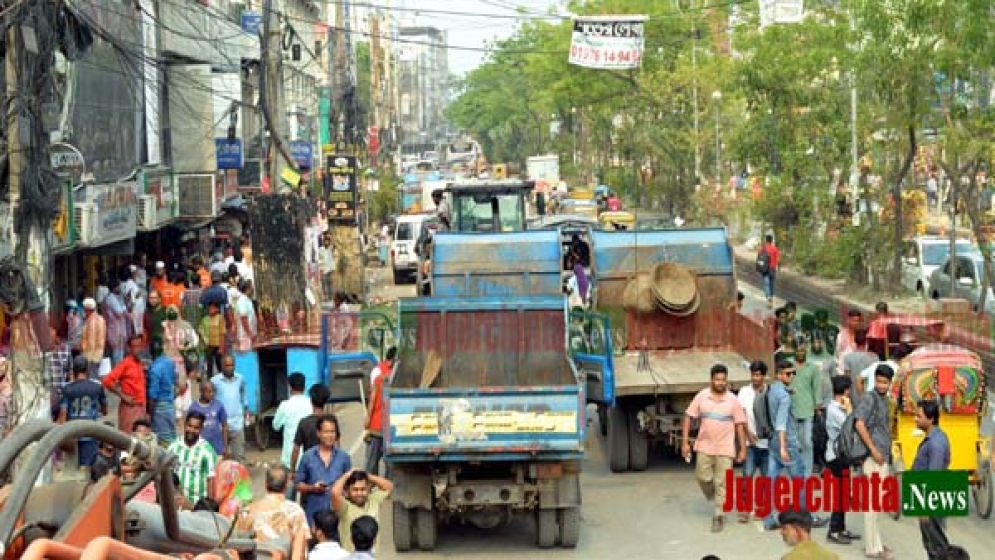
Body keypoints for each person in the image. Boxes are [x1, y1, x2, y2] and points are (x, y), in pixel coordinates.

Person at [680, 364, 748, 533]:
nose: (720, 383)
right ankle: (714, 495)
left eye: (723, 380)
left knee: (722, 482)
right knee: (702, 477)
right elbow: (688, 417)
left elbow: (740, 424)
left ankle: (718, 515)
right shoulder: (702, 396)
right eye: (717, 379)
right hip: (704, 445)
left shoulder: (733, 400)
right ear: (711, 380)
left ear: (727, 381)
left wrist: (742, 448)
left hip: (725, 449)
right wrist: (685, 442)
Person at [763, 360, 827, 531]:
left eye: (793, 373)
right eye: (788, 374)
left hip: (774, 443)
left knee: (771, 480)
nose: (791, 376)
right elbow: (781, 423)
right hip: (786, 442)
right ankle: (807, 517)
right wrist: (784, 447)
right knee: (800, 481)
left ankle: (768, 518)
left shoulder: (773, 390)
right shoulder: (784, 397)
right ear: (779, 374)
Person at [853, 364, 895, 559]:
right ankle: (872, 548)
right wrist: (873, 450)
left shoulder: (884, 400)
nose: (881, 385)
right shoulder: (870, 399)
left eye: (885, 382)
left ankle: (876, 544)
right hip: (874, 458)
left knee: (877, 504)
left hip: (881, 457)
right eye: (879, 381)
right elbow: (859, 423)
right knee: (873, 505)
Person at [913, 399, 953, 560]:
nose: (916, 419)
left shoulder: (936, 443)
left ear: (930, 419)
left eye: (919, 416)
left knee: (937, 544)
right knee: (932, 542)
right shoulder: (936, 437)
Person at [296, 415, 352, 527]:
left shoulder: (344, 458)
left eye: (332, 432)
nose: (329, 435)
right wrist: (313, 488)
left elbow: (350, 486)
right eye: (326, 432)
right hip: (314, 517)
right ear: (318, 433)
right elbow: (298, 485)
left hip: (338, 518)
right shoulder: (308, 457)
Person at [824, 376, 859, 545]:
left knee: (844, 493)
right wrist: (850, 409)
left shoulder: (838, 408)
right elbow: (851, 426)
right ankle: (833, 530)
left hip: (842, 456)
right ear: (845, 390)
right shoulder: (834, 410)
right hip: (836, 457)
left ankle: (841, 528)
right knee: (840, 494)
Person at [239, 465, 310, 544]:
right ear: (286, 486)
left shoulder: (248, 511)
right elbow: (301, 547)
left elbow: (240, 543)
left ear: (265, 485)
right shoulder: (295, 511)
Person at [58, 356, 108, 467]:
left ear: (74, 370)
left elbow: (63, 413)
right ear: (87, 369)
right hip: (90, 433)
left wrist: (61, 435)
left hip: (72, 434)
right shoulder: (97, 387)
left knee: (72, 469)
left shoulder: (67, 389)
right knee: (89, 468)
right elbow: (105, 410)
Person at [736, 360, 769, 523]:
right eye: (753, 375)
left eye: (758, 375)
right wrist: (748, 434)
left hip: (767, 444)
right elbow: (740, 416)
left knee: (765, 477)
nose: (755, 378)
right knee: (747, 476)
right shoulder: (744, 392)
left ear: (763, 376)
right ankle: (745, 509)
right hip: (750, 443)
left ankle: (762, 507)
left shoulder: (769, 392)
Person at [332, 470, 393, 552]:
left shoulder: (374, 499)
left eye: (363, 489)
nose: (359, 493)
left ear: (368, 489)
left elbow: (389, 487)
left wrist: (368, 476)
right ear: (347, 491)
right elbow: (334, 493)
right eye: (355, 490)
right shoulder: (344, 506)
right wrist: (347, 475)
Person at [168, 410, 218, 508]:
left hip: (196, 505)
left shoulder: (207, 450)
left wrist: (208, 509)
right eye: (189, 426)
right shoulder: (173, 447)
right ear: (185, 425)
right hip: (176, 503)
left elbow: (210, 480)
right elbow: (168, 475)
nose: (191, 430)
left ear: (201, 429)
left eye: (196, 428)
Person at [102, 335, 147, 433]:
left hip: (140, 409)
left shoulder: (140, 363)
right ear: (129, 349)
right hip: (129, 409)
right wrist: (123, 396)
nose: (137, 350)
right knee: (128, 440)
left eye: (139, 346)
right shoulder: (125, 363)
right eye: (134, 347)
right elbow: (107, 381)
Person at [791, 346, 823, 475]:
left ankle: (807, 472)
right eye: (797, 350)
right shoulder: (789, 367)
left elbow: (816, 387)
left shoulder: (812, 368)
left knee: (808, 442)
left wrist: (818, 406)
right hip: (792, 409)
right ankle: (796, 470)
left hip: (808, 409)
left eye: (802, 351)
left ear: (806, 352)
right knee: (795, 442)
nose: (800, 353)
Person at [274, 372, 314, 472]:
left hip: (290, 458)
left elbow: (275, 426)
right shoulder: (312, 404)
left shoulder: (285, 405)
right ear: (304, 387)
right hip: (310, 457)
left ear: (290, 387)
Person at [212, 354, 248, 461]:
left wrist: (246, 410)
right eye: (227, 365)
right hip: (220, 426)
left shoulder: (240, 379)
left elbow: (243, 394)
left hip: (237, 424)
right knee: (220, 458)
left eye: (231, 365)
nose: (229, 368)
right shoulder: (214, 381)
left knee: (239, 457)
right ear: (222, 366)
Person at [291, 384, 332, 475]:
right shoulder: (332, 421)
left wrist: (293, 471)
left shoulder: (304, 423)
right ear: (325, 401)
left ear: (311, 401)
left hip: (309, 469)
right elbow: (337, 447)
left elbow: (296, 449)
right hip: (328, 468)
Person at [365, 348, 395, 475]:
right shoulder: (395, 377)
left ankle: (372, 485)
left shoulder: (379, 378)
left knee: (372, 460)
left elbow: (372, 399)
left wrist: (367, 419)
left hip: (377, 425)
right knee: (390, 463)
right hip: (391, 426)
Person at [146, 343, 178, 443]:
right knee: (172, 434)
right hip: (170, 405)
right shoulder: (169, 362)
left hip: (160, 407)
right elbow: (174, 380)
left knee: (162, 439)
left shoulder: (155, 369)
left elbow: (153, 395)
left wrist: (150, 412)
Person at [189, 380, 228, 456]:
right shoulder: (194, 408)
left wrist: (225, 447)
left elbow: (224, 426)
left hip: (217, 448)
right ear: (201, 391)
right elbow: (190, 429)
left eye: (213, 391)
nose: (212, 394)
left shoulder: (218, 405)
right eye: (209, 392)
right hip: (200, 449)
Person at [80, 297, 106, 378]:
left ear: (88, 309)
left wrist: (87, 358)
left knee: (92, 378)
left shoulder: (91, 321)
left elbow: (91, 342)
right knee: (95, 376)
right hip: (98, 353)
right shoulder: (101, 319)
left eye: (84, 309)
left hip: (91, 356)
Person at [199, 302, 226, 378]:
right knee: (209, 364)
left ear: (217, 309)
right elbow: (201, 329)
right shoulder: (206, 318)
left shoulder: (220, 318)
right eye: (209, 308)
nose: (210, 309)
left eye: (212, 308)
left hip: (218, 345)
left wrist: (221, 347)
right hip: (209, 345)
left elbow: (222, 333)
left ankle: (222, 379)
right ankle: (209, 380)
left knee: (219, 364)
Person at [234, 280, 257, 353]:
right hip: (245, 336)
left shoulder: (248, 300)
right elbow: (244, 318)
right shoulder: (242, 301)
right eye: (252, 287)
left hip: (249, 335)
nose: (253, 289)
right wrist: (249, 333)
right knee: (247, 355)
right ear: (248, 288)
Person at [759, 234, 780, 306]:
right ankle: (771, 296)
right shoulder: (775, 249)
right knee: (772, 283)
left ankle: (768, 297)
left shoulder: (762, 248)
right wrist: (777, 267)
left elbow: (759, 258)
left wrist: (760, 267)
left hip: (765, 268)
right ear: (771, 240)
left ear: (766, 240)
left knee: (766, 283)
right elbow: (778, 260)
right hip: (772, 268)